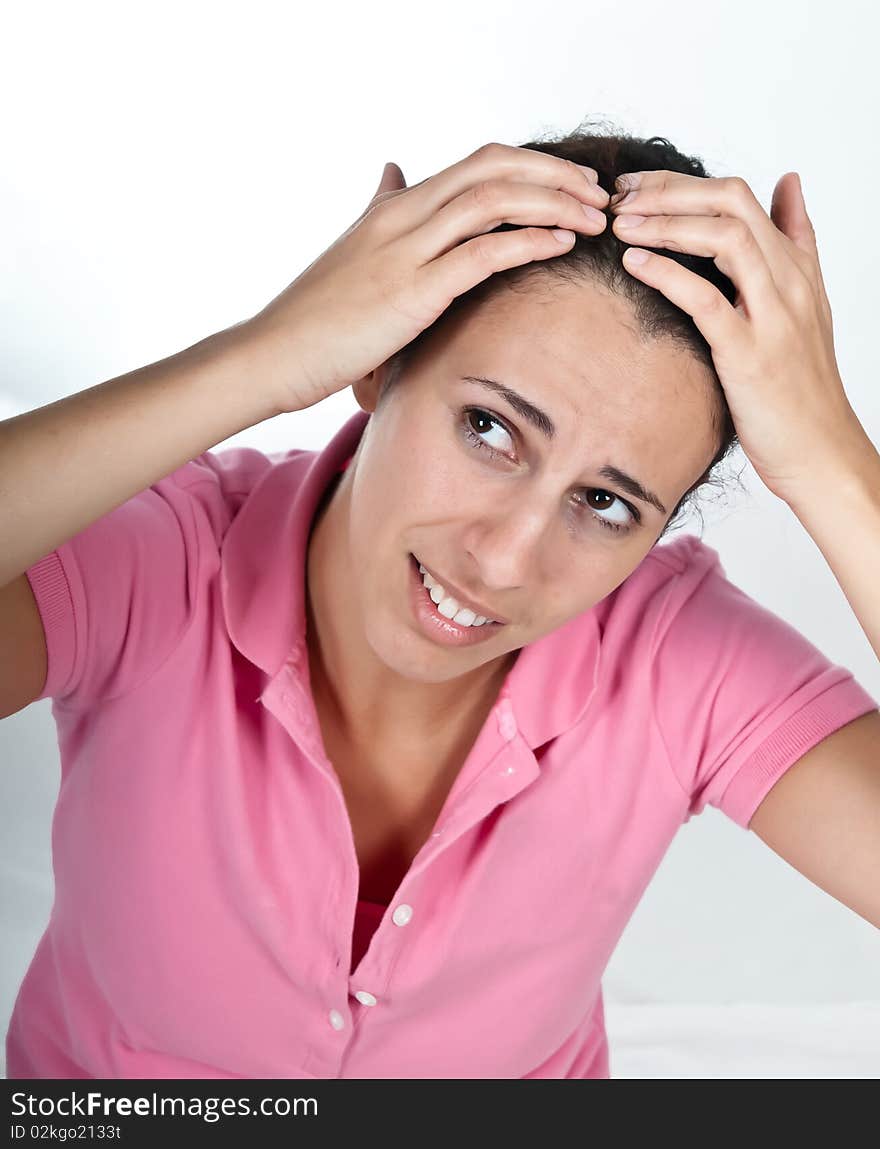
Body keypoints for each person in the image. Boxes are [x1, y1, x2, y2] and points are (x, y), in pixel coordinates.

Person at [1, 123, 877, 1079]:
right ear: (377, 362)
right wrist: (262, 357)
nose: (505, 560)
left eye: (605, 503)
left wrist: (832, 463)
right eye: (489, 427)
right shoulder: (162, 559)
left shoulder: (672, 655)